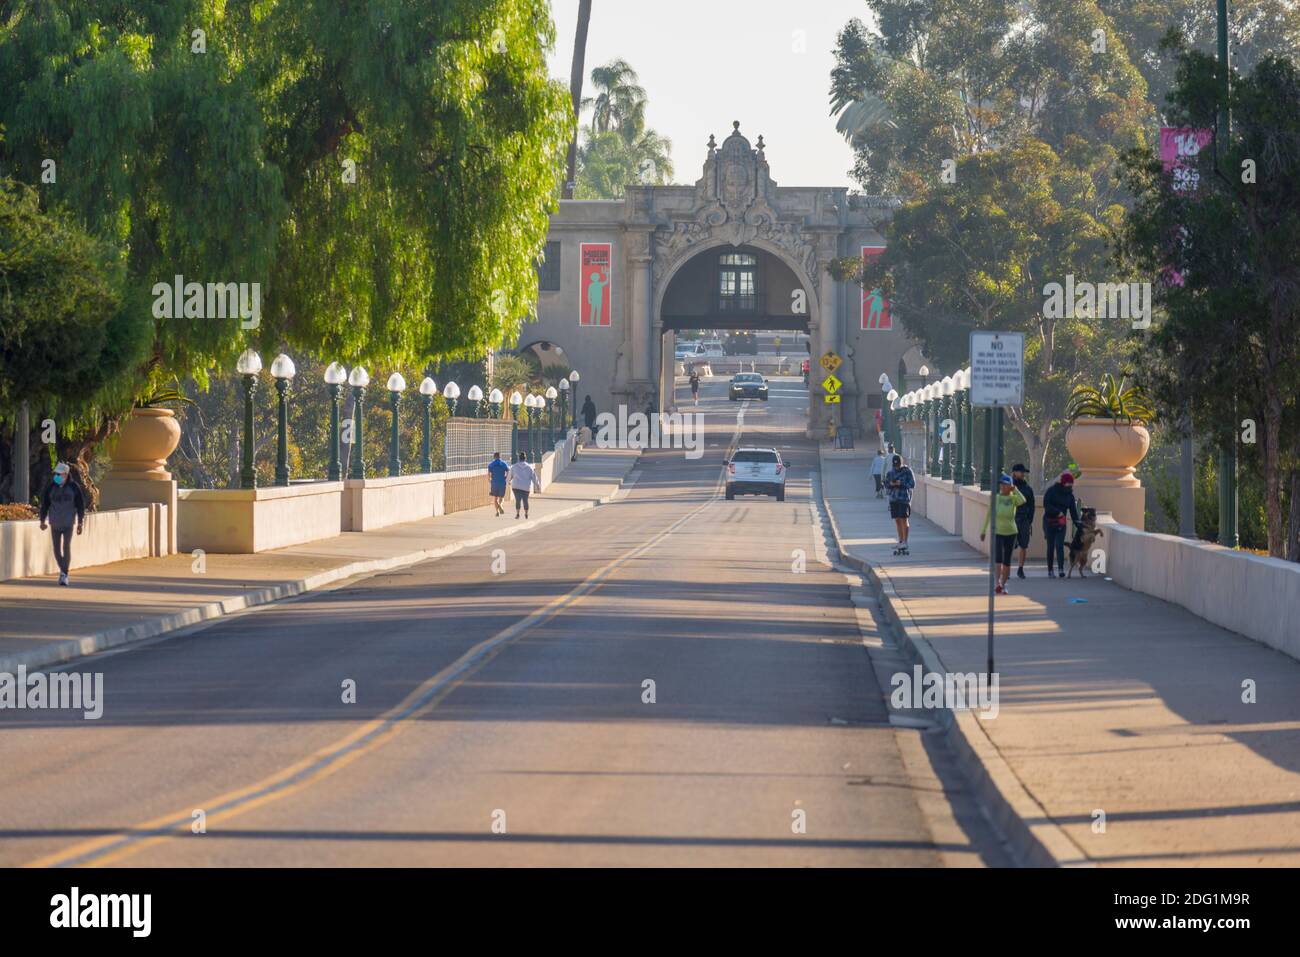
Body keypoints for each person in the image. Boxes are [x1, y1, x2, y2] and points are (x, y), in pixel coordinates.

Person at [38, 462, 86, 586]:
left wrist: (80, 522)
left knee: (66, 547)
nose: (57, 476)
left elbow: (80, 505)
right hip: (54, 522)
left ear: (66, 474)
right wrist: (42, 520)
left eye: (59, 474)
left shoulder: (74, 487)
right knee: (56, 549)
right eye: (56, 474)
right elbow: (45, 505)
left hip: (68, 522)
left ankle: (64, 574)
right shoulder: (51, 487)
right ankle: (63, 571)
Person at [980, 473, 1027, 595]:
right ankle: (997, 583)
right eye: (1001, 484)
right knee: (998, 559)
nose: (1002, 486)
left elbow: (1023, 500)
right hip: (998, 532)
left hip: (1011, 532)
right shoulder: (996, 498)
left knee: (1007, 561)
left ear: (1010, 486)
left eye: (1005, 484)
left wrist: (1015, 489)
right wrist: (983, 530)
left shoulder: (1013, 498)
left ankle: (1004, 584)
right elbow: (989, 515)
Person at [1041, 471, 1081, 579]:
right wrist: (1057, 512)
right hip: (1049, 522)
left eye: (1071, 484)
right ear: (1064, 483)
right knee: (1050, 546)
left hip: (1061, 523)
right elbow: (1046, 505)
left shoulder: (1070, 496)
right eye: (1069, 483)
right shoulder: (1051, 491)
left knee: (1059, 545)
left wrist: (1079, 525)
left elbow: (1073, 513)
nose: (1070, 485)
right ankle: (1050, 570)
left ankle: (1060, 569)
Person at [884, 454, 915, 554]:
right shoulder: (891, 473)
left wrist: (901, 483)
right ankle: (900, 540)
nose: (896, 467)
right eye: (895, 465)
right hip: (894, 499)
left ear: (901, 463)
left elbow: (912, 484)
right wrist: (891, 484)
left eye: (898, 465)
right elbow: (886, 484)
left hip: (904, 499)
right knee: (897, 520)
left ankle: (905, 541)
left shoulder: (907, 471)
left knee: (904, 519)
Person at [1010, 463, 1036, 579]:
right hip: (1011, 520)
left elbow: (1032, 506)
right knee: (1009, 546)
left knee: (1023, 546)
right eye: (1021, 472)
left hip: (1024, 520)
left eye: (1023, 472)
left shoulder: (1027, 489)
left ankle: (1020, 569)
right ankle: (1007, 568)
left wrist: (1029, 521)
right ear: (1014, 472)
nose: (1023, 474)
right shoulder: (1008, 487)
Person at [508, 451, 542, 519]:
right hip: (525, 487)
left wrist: (507, 482)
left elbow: (509, 476)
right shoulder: (529, 467)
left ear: (519, 458)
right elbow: (534, 477)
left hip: (516, 486)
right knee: (525, 500)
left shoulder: (514, 466)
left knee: (518, 500)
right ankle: (526, 514)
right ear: (525, 458)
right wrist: (538, 485)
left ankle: (517, 514)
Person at [487, 452, 509, 517]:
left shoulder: (491, 464)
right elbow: (508, 471)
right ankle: (500, 505)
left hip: (494, 483)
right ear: (500, 457)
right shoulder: (504, 463)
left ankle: (497, 512)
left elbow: (489, 474)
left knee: (495, 498)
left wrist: (490, 480)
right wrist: (505, 477)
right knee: (501, 498)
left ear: (494, 457)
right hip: (502, 482)